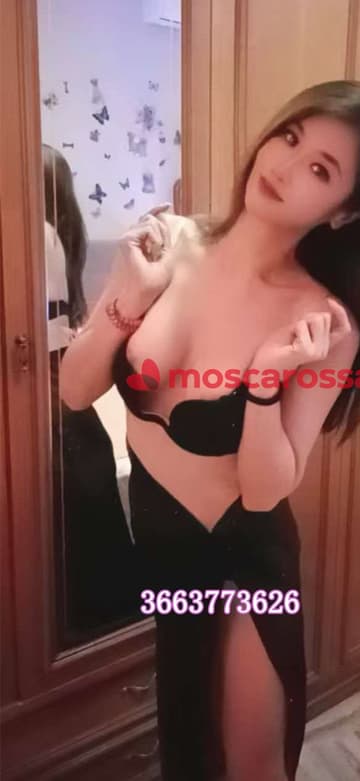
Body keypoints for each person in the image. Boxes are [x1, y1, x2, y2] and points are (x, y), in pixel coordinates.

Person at [59, 80, 360, 780]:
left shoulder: (323, 323)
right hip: (164, 552)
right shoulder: (169, 242)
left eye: (321, 169)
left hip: (243, 561)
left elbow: (263, 491)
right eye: (291, 137)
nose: (283, 165)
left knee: (252, 767)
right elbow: (74, 388)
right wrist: (129, 297)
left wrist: (263, 385)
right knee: (188, 750)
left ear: (348, 212)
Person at [43, 144, 141, 638]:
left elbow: (44, 333)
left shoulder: (38, 238)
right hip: (62, 395)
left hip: (51, 396)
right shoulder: (57, 236)